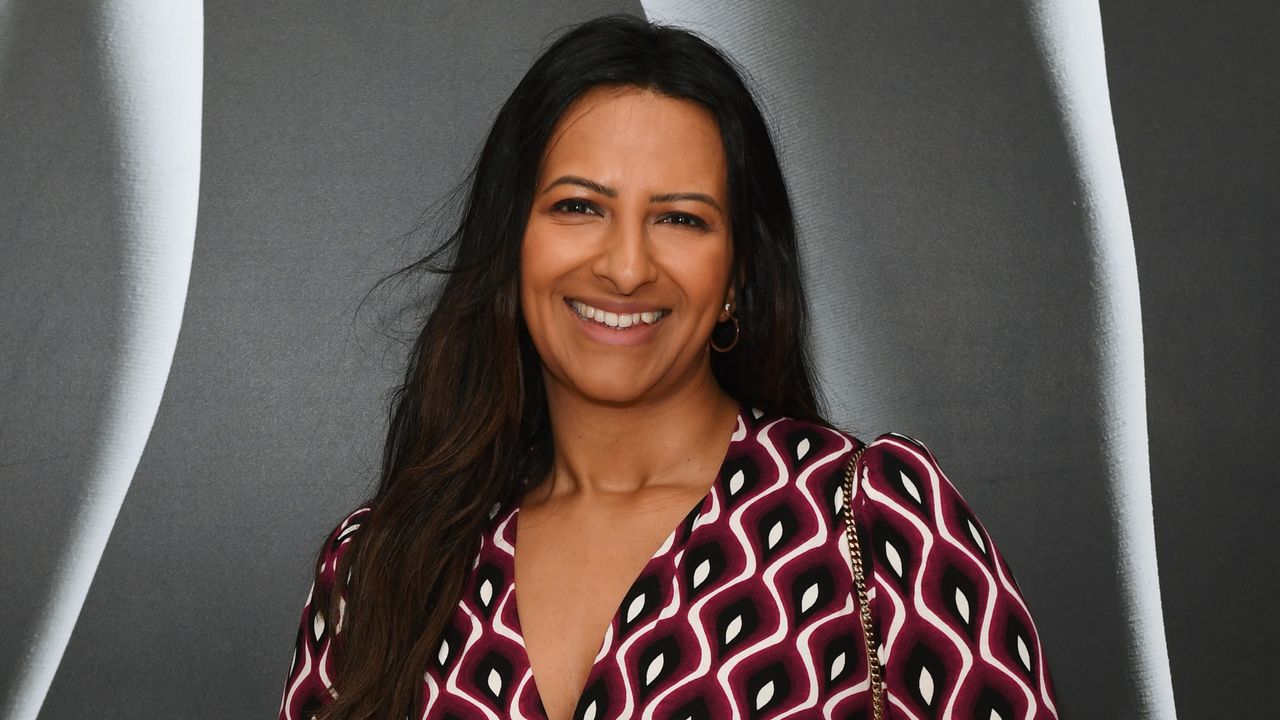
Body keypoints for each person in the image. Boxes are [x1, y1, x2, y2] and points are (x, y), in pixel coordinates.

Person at [279, 14, 1058, 720]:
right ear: (510, 242)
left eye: (679, 218)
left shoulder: (870, 518)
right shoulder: (378, 569)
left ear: (738, 274)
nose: (625, 268)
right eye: (579, 207)